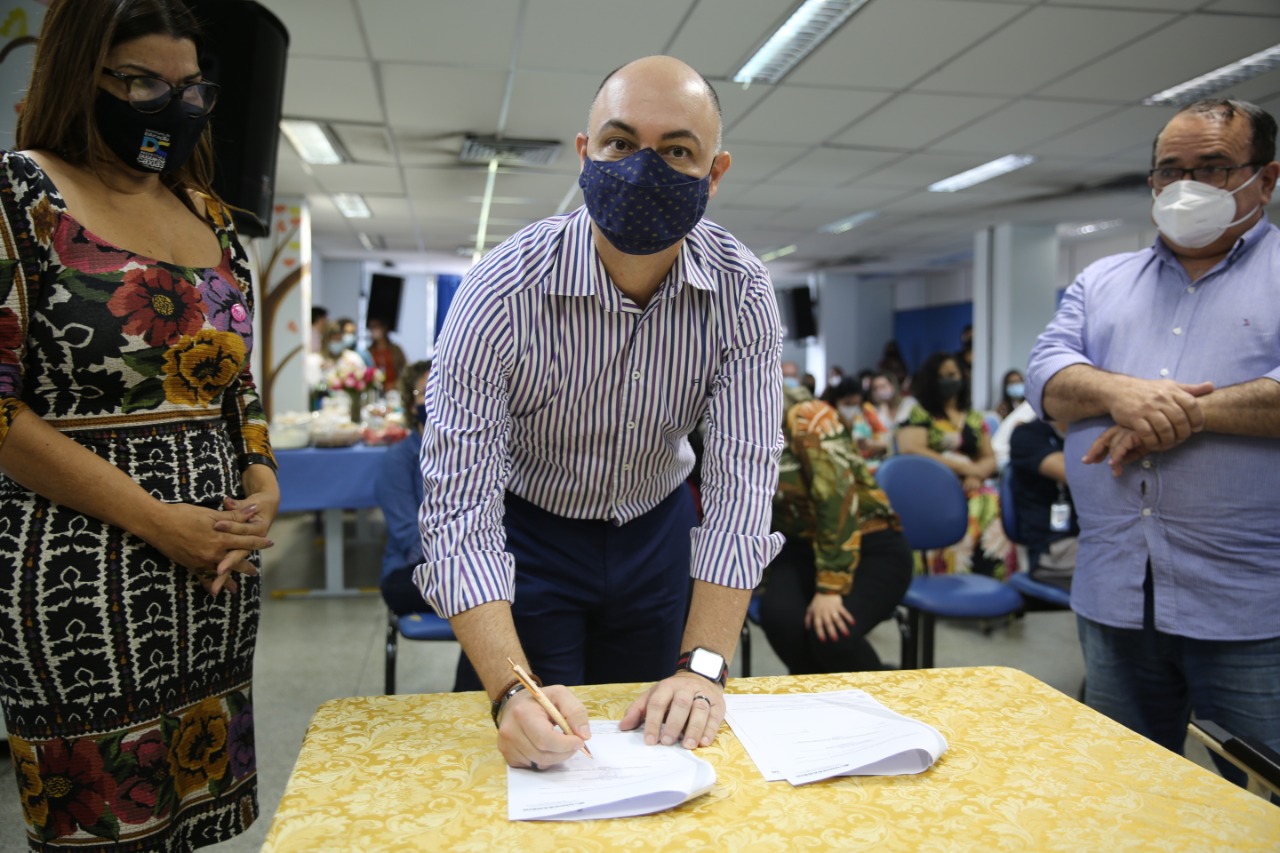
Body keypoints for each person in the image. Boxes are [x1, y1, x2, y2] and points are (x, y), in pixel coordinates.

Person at [417, 55, 783, 771]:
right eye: (620, 143)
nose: (643, 169)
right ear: (585, 153)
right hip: (532, 534)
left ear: (714, 173)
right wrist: (508, 691)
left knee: (655, 743)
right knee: (538, 746)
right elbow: (459, 508)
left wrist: (704, 667)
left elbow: (743, 486)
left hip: (656, 529)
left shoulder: (742, 291)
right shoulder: (500, 290)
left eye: (676, 151)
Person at [0, 1, 279, 848]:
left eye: (190, 87)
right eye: (142, 83)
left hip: (211, 582)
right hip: (81, 583)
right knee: (107, 821)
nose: (173, 106)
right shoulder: (21, 194)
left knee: (192, 817)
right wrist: (160, 521)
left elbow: (238, 391)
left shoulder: (212, 217)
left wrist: (262, 478)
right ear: (80, 74)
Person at [1026, 97, 1280, 790]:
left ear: (1266, 178)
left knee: (1262, 804)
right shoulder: (1101, 281)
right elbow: (1047, 377)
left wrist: (1175, 414)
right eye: (1170, 170)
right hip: (1116, 592)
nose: (1186, 186)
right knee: (1125, 791)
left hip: (1250, 604)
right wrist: (1120, 393)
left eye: (1213, 167)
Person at [760, 385, 912, 674]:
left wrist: (831, 586)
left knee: (832, 636)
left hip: (869, 542)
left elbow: (835, 498)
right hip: (802, 549)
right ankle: (822, 694)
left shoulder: (807, 416)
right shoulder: (722, 434)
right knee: (782, 621)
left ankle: (878, 691)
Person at [897, 352, 1009, 577]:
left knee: (991, 502)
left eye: (952, 375)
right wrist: (964, 468)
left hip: (971, 484)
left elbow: (988, 456)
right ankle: (948, 573)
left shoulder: (973, 418)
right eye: (941, 376)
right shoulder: (920, 413)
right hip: (932, 487)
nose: (947, 381)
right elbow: (911, 449)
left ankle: (987, 577)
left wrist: (976, 474)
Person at [375, 360, 433, 615]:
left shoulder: (468, 455)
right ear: (411, 404)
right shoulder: (398, 459)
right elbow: (408, 536)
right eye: (426, 392)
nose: (436, 399)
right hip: (411, 570)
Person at [1006, 416, 1077, 592]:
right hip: (1053, 549)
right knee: (1128, 568)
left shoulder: (1092, 432)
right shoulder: (1027, 435)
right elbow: (1077, 476)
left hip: (1092, 540)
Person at [824, 377, 888, 461]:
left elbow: (884, 437)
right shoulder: (825, 413)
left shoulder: (866, 410)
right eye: (847, 404)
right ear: (837, 399)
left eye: (855, 404)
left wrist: (871, 444)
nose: (851, 408)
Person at [366, 314, 406, 389]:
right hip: (375, 389)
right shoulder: (368, 351)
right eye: (371, 327)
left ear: (384, 328)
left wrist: (396, 384)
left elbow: (405, 370)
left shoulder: (396, 350)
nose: (373, 330)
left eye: (375, 327)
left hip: (394, 389)